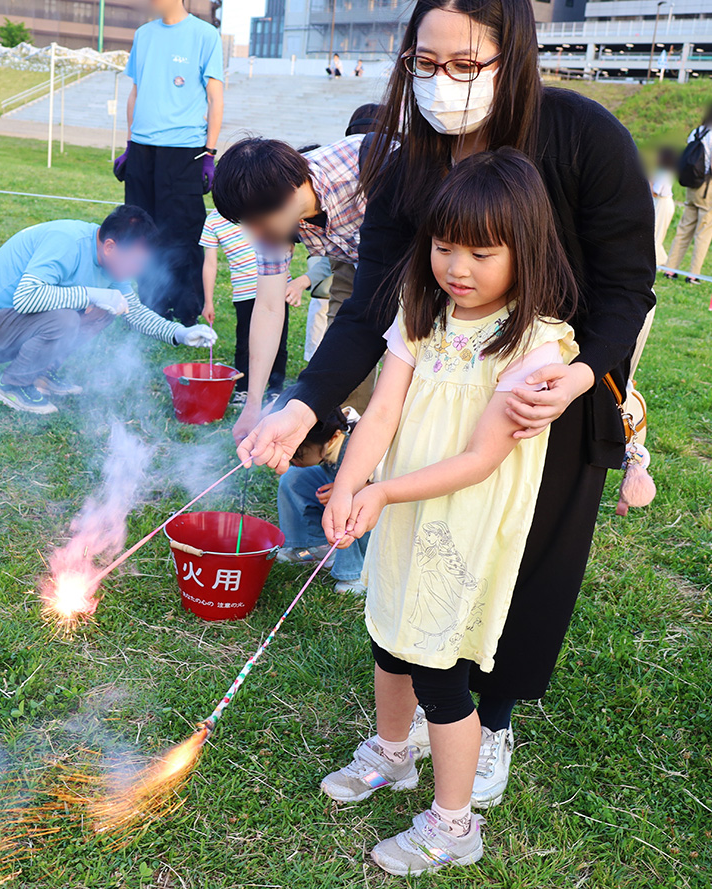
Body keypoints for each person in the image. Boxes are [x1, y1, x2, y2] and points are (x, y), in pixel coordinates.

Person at [237, 0, 655, 814]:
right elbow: (375, 307)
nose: (442, 83)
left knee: (521, 565)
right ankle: (409, 727)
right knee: (424, 552)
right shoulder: (408, 163)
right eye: (424, 65)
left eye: (465, 65)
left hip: (545, 394)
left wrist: (583, 376)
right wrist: (304, 403)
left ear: (515, 55)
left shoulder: (583, 137)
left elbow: (627, 285)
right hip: (437, 390)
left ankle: (489, 720)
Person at [319, 149, 579, 876]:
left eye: (480, 251)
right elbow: (380, 414)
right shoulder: (420, 315)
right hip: (400, 512)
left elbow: (479, 460)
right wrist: (348, 483)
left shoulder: (535, 346)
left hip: (458, 529)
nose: (456, 266)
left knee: (439, 673)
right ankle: (393, 753)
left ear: (522, 252)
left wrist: (380, 492)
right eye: (443, 246)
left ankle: (454, 823)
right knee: (388, 638)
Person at [0, 206, 218, 414]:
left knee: (108, 307)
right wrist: (90, 294)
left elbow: (134, 311)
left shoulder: (112, 264)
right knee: (66, 318)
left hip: (12, 328)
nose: (139, 271)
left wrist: (180, 333)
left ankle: (41, 372)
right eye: (137, 262)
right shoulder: (67, 242)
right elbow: (27, 298)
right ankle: (12, 385)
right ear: (110, 247)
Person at [211, 133, 370, 428]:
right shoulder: (273, 224)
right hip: (360, 266)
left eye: (258, 222)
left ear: (290, 195)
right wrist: (254, 404)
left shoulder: (365, 167)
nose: (255, 235)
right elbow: (269, 306)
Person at [113, 0, 223, 326]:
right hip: (144, 149)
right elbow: (135, 92)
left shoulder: (205, 35)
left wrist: (209, 154)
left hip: (184, 148)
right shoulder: (143, 34)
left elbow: (216, 97)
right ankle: (151, 304)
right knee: (142, 229)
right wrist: (130, 143)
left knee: (183, 232)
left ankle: (186, 309)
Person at [199, 208, 301, 406]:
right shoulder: (213, 222)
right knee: (245, 342)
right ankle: (243, 388)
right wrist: (208, 302)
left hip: (275, 286)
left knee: (279, 340)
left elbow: (288, 241)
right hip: (245, 292)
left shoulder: (260, 209)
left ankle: (275, 389)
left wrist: (286, 273)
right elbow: (210, 264)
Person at [276, 406, 367, 594]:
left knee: (347, 505)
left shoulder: (360, 442)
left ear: (333, 438)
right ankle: (317, 547)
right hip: (344, 485)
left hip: (377, 505)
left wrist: (347, 489)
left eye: (299, 452)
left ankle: (356, 574)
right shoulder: (328, 440)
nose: (292, 457)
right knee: (293, 478)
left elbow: (390, 480)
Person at [664, 99, 712, 283]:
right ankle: (693, 275)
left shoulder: (695, 132)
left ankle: (670, 269)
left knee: (684, 229)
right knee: (703, 234)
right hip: (708, 189)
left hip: (692, 187)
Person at [651, 146, 677, 265]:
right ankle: (663, 262)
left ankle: (661, 263)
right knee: (656, 234)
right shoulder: (663, 171)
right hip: (661, 203)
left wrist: (649, 181)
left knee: (656, 234)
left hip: (663, 203)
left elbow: (655, 192)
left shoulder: (664, 173)